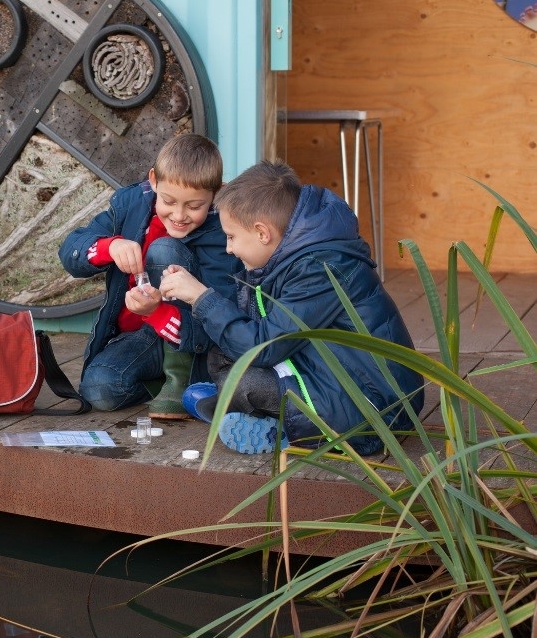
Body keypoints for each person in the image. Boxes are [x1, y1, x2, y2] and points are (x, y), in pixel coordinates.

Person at [160, 160, 424, 455]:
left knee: (243, 382)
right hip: (322, 372)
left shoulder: (321, 269)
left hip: (374, 411)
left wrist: (201, 297)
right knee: (222, 354)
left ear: (262, 233)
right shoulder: (291, 255)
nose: (229, 248)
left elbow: (264, 346)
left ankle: (275, 428)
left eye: (232, 237)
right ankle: (244, 408)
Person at [58, 133, 242, 417]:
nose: (179, 215)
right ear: (154, 180)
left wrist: (158, 311)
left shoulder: (224, 233)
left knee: (164, 250)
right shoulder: (131, 205)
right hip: (144, 335)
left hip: (194, 342)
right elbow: (71, 250)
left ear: (216, 194)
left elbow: (218, 319)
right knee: (99, 389)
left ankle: (182, 380)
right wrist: (110, 246)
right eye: (168, 200)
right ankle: (164, 383)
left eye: (194, 206)